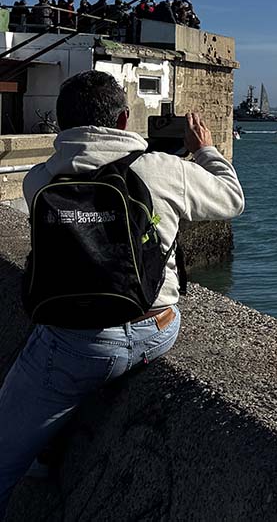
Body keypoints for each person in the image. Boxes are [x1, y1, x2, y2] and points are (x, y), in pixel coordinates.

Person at [0, 71, 244, 512]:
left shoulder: (39, 181)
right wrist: (203, 150)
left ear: (61, 123)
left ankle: (40, 447)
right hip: (157, 326)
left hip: (75, 342)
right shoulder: (164, 170)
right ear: (124, 119)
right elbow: (231, 198)